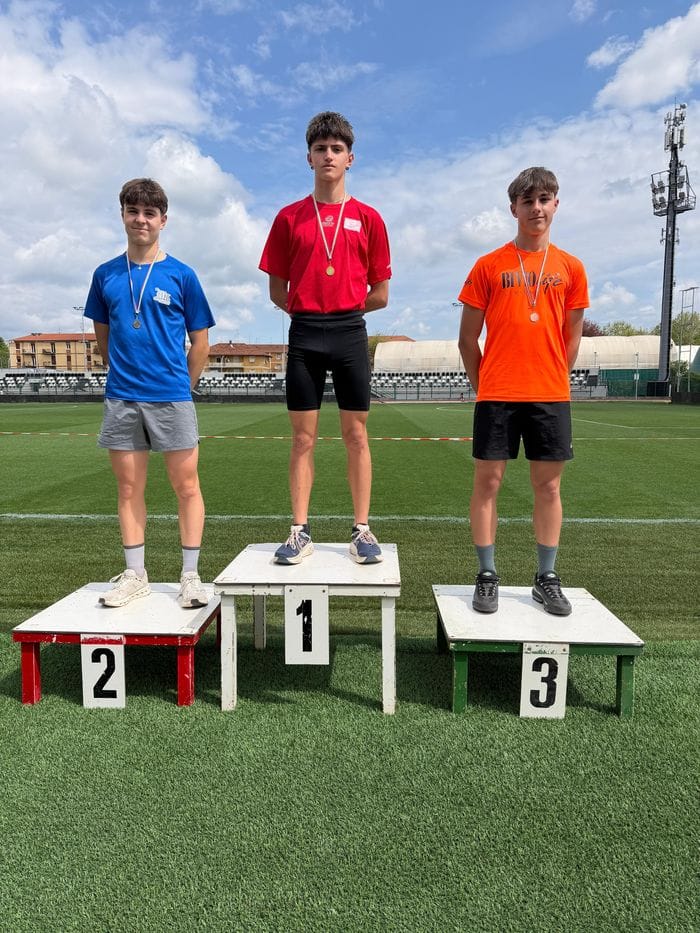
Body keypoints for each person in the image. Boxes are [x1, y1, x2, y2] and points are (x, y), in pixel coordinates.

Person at [259, 111, 391, 565]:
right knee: (302, 439)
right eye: (320, 149)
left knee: (356, 435)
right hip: (305, 333)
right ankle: (299, 530)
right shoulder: (288, 218)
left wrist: (344, 304)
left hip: (351, 331)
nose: (328, 156)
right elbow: (277, 288)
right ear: (309, 158)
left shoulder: (369, 218)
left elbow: (381, 293)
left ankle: (362, 529)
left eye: (337, 149)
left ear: (350, 158)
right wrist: (307, 307)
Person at [457, 167, 588, 616]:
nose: (537, 208)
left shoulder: (571, 267)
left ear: (556, 204)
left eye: (545, 199)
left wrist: (552, 375)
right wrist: (486, 385)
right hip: (497, 394)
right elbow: (466, 338)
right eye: (528, 200)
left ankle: (546, 577)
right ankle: (487, 574)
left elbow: (572, 337)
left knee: (548, 487)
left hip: (549, 395)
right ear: (513, 207)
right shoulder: (488, 266)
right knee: (487, 483)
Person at [84, 178, 215, 608]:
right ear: (123, 214)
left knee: (186, 486)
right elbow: (103, 338)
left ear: (163, 220)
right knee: (128, 489)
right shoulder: (105, 275)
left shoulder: (182, 275)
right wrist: (123, 373)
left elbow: (201, 343)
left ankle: (191, 576)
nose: (141, 220)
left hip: (171, 397)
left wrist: (182, 385)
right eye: (133, 211)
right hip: (122, 397)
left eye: (149, 213)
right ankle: (136, 574)